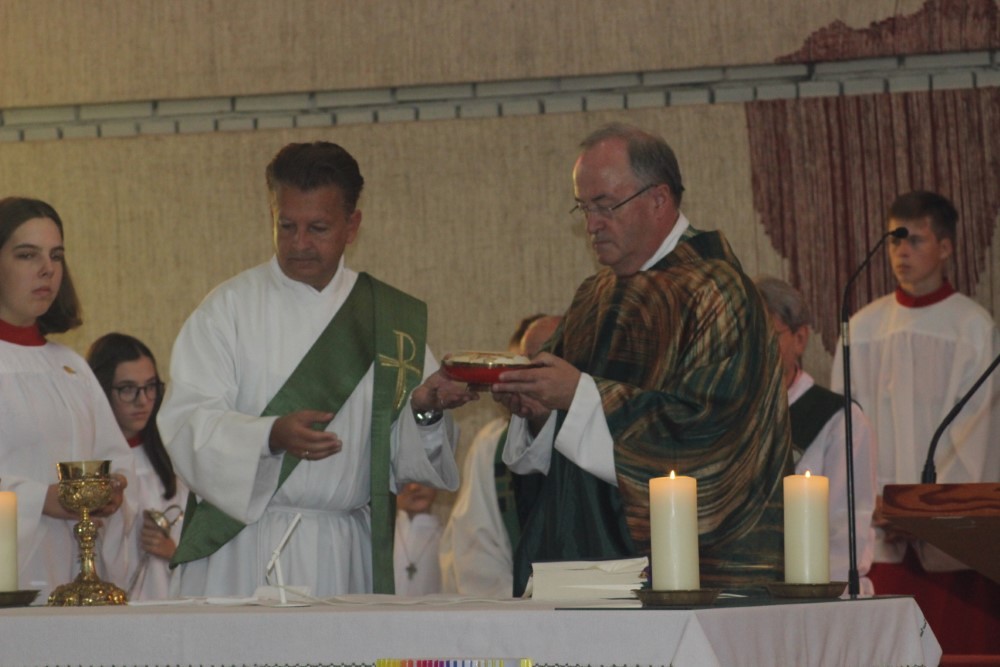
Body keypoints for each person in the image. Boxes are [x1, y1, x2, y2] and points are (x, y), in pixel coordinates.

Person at [158, 141, 473, 598]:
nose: (299, 243)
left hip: (343, 552)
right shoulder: (227, 310)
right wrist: (269, 437)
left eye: (318, 228)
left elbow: (407, 464)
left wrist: (424, 410)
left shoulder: (388, 320)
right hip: (241, 552)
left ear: (352, 226)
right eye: (286, 225)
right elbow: (186, 423)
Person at [493, 124, 791, 595]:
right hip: (585, 567)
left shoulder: (715, 293)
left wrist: (578, 396)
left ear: (658, 199)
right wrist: (537, 412)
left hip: (681, 577)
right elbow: (565, 427)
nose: (591, 224)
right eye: (583, 207)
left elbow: (711, 435)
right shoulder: (593, 296)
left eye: (605, 205)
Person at [830, 190, 1000, 653]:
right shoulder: (862, 329)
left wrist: (928, 515)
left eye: (915, 240)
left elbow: (979, 437)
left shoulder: (972, 329)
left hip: (952, 550)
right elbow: (847, 433)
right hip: (881, 537)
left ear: (945, 247)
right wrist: (877, 505)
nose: (901, 252)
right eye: (894, 240)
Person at [0, 196, 135, 601]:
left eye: (56, 255)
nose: (47, 269)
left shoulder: (71, 368)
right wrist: (39, 500)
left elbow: (116, 459)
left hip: (77, 576)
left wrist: (113, 490)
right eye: (27, 255)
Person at [755, 275, 877, 594]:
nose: (753, 348)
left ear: (800, 338)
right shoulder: (722, 415)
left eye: (767, 334)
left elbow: (845, 524)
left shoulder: (838, 419)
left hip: (815, 591)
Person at [439, 314, 562, 597]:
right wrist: (522, 605)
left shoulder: (604, 431)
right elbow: (477, 548)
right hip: (512, 608)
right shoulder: (492, 445)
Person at [87, 333, 188, 601]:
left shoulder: (173, 459)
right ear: (101, 390)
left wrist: (173, 551)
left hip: (166, 602)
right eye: (127, 389)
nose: (142, 400)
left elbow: (197, 543)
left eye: (150, 387)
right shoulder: (87, 464)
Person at [393, 482, 442, 596]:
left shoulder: (448, 541)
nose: (414, 487)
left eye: (422, 478)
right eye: (406, 480)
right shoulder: (379, 537)